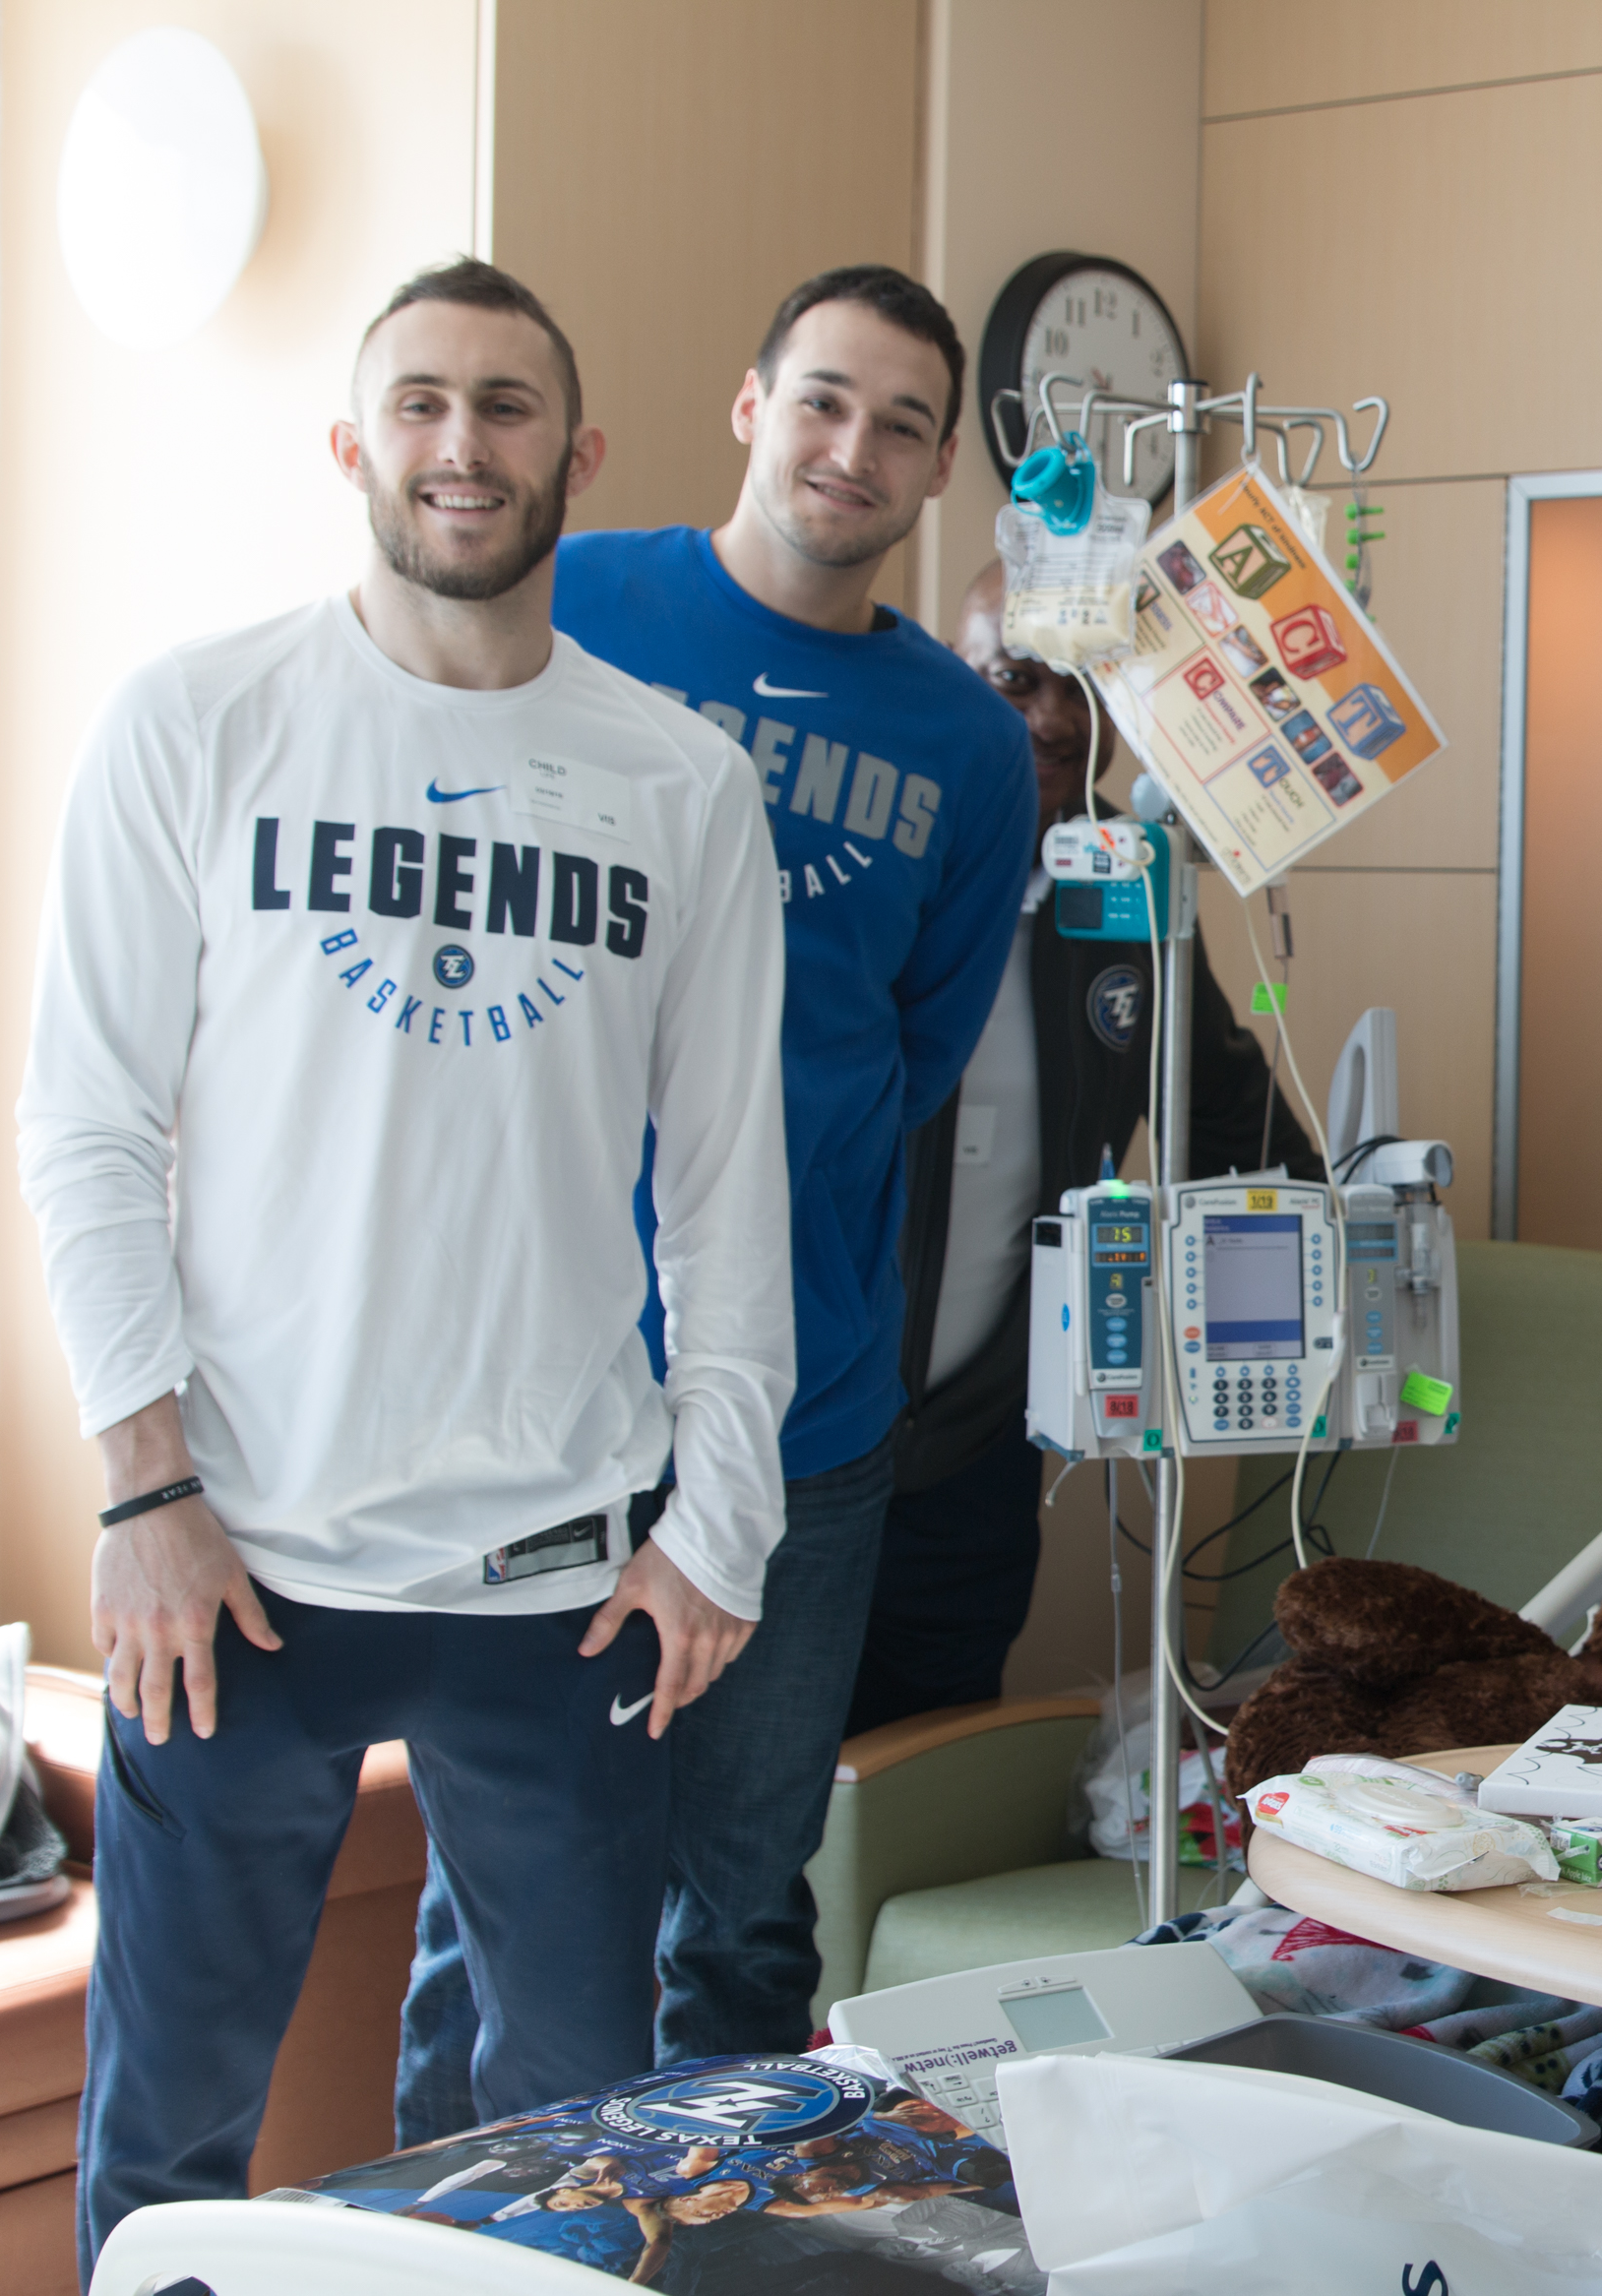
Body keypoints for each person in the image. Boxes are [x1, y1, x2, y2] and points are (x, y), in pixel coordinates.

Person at [25, 259, 793, 2265]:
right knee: (172, 2125)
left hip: (557, 1577)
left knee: (570, 2144)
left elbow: (731, 1192)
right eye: (423, 403)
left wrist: (719, 1529)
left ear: (581, 454)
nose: (465, 444)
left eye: (508, 406)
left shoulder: (681, 781)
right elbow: (85, 1126)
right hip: (236, 1560)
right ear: (352, 443)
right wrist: (142, 1487)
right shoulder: (197, 717)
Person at [400, 264, 1037, 2121]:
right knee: (490, 1913)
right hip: (537, 1404)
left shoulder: (968, 743)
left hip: (802, 1420)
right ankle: (439, 2240)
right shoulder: (578, 603)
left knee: (741, 1916)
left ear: (937, 473)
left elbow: (909, 1056)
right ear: (752, 407)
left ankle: (713, 2237)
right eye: (823, 399)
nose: (853, 448)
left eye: (902, 424)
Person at [850, 557, 1318, 1737]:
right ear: (946, 678)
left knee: (928, 1773)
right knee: (756, 1782)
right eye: (1015, 679)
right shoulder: (868, 851)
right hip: (801, 1430)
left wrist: (1348, 1237)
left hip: (972, 1449)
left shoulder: (1124, 883)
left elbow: (1230, 1115)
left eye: (1087, 684)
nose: (1055, 718)